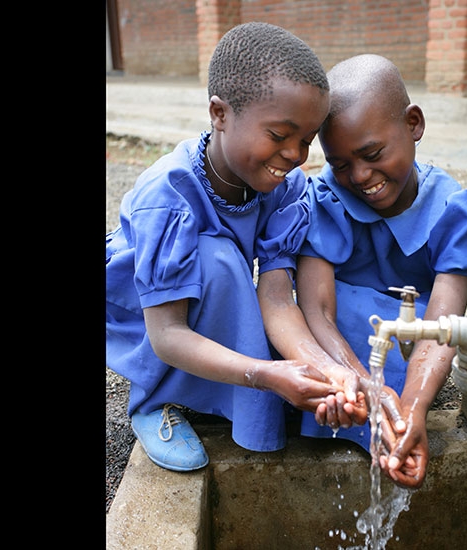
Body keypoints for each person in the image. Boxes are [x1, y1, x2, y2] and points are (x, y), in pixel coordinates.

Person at [105, 22, 378, 472]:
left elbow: (275, 297)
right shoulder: (167, 197)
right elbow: (168, 334)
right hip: (145, 315)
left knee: (226, 270)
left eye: (306, 140)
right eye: (279, 135)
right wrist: (265, 374)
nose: (294, 155)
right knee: (220, 261)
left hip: (206, 296)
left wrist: (328, 370)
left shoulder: (285, 188)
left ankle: (223, 392)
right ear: (220, 114)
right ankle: (155, 400)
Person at [295, 54, 467, 489]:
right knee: (332, 319)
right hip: (338, 352)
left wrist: (416, 408)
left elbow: (443, 324)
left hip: (405, 351)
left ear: (414, 124)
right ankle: (355, 416)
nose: (360, 176)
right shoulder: (327, 198)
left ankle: (396, 433)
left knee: (411, 330)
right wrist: (360, 384)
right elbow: (315, 309)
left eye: (372, 153)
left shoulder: (451, 210)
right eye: (340, 163)